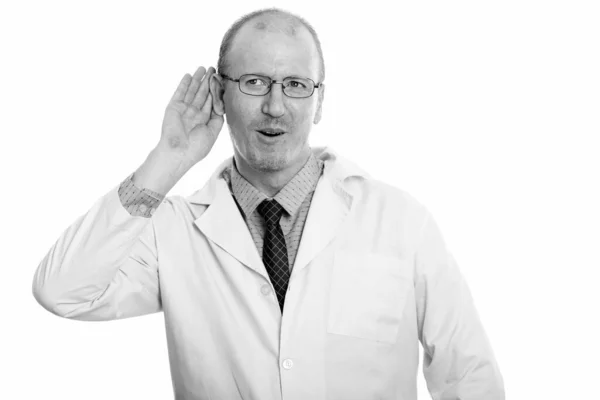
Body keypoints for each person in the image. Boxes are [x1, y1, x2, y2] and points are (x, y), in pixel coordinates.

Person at [32, 7, 505, 400]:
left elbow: (469, 376)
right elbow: (63, 291)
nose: (276, 106)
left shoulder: (400, 220)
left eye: (296, 85)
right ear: (220, 92)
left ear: (319, 101)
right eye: (255, 82)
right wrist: (168, 160)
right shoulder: (172, 232)